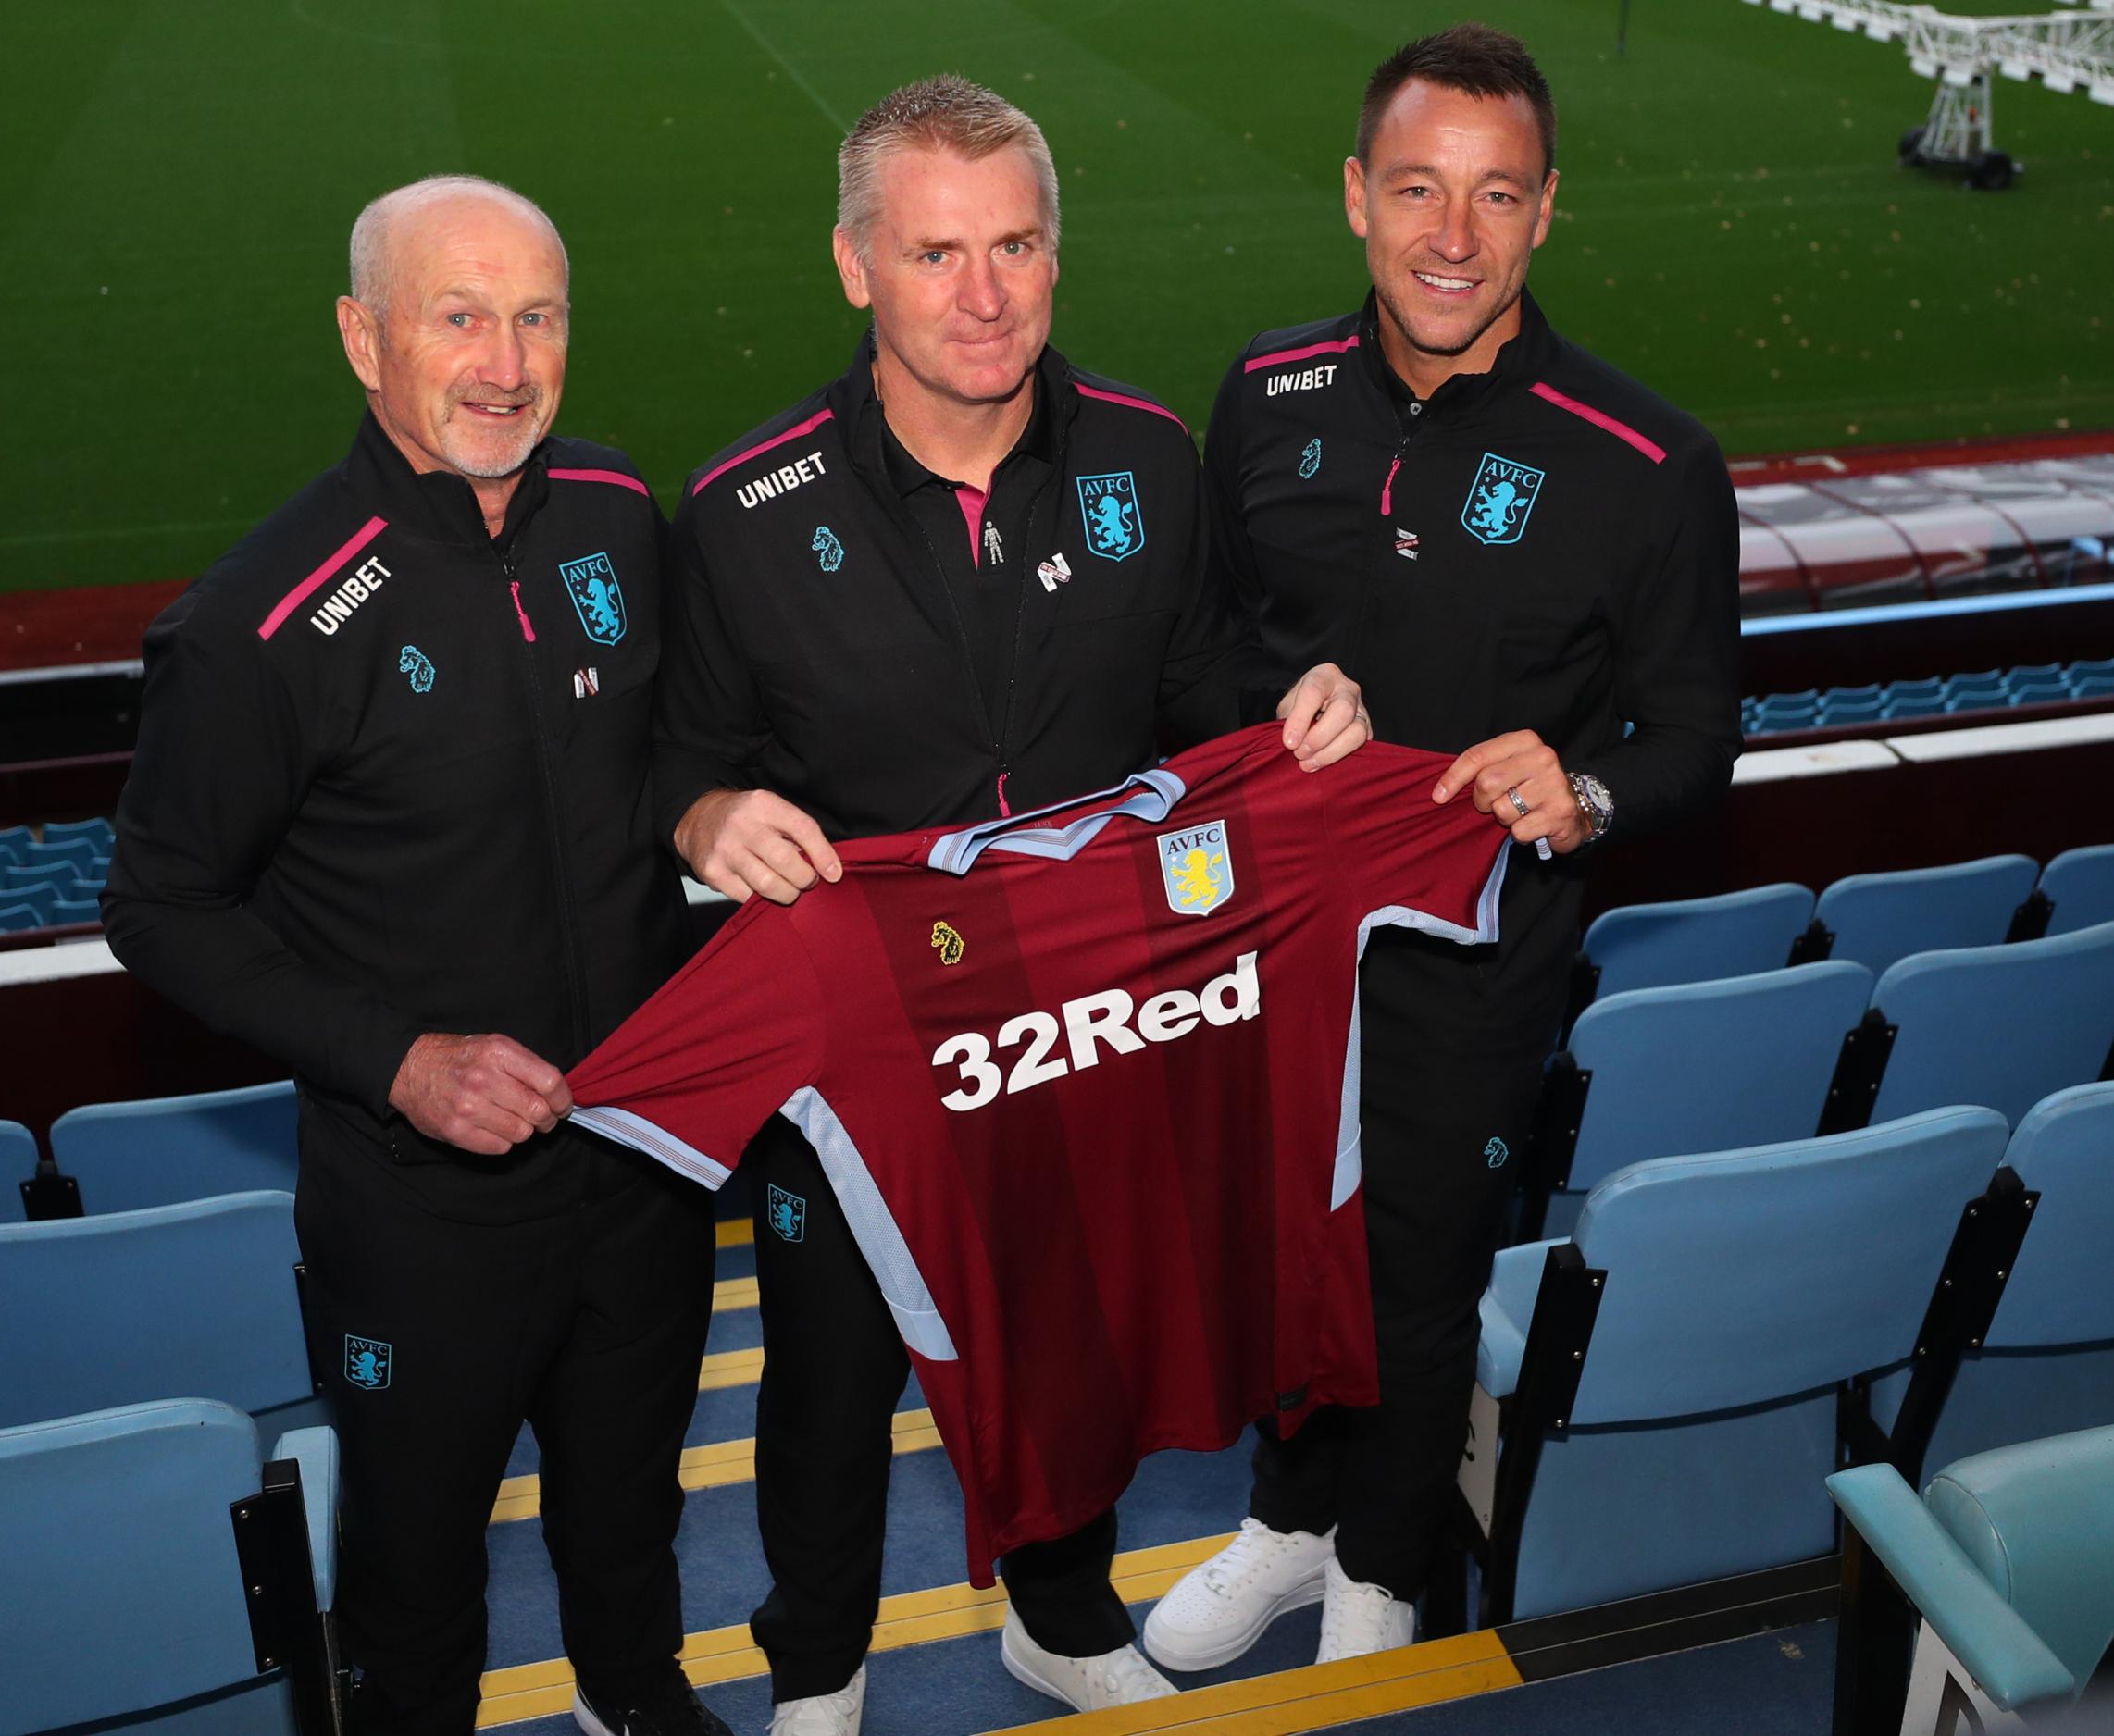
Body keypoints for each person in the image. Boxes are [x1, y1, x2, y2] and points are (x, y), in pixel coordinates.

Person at [656, 76, 1366, 1734]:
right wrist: (704, 812)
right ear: (856, 268)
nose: (984, 297)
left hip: (1081, 1023)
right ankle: (818, 1675)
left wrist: (1297, 708)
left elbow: (1202, 683)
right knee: (829, 1384)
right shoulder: (745, 513)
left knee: (1071, 1333)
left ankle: (1058, 1618)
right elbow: (680, 759)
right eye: (936, 254)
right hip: (862, 1062)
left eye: (1018, 247)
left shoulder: (1145, 456)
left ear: (1056, 254)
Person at [1142, 22, 1741, 1672]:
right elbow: (1200, 655)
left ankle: (1382, 1567)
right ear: (1356, 195)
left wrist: (1588, 792)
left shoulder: (1649, 465)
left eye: (1494, 196)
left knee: (1413, 1276)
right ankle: (1284, 1519)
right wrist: (1276, 697)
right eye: (1417, 188)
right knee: (1281, 1248)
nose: (1451, 237)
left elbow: (1697, 743)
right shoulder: (1263, 398)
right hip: (1265, 948)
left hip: (1477, 969)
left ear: (1547, 212)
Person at [103, 175, 728, 1736]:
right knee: (420, 1571)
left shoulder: (610, 513)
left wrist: (706, 811)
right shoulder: (262, 624)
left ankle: (635, 1695)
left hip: (642, 1162)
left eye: (537, 317)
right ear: (361, 338)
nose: (505, 364)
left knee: (631, 1505)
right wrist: (400, 1061)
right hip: (422, 1209)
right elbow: (159, 904)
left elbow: (639, 762)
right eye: (459, 318)